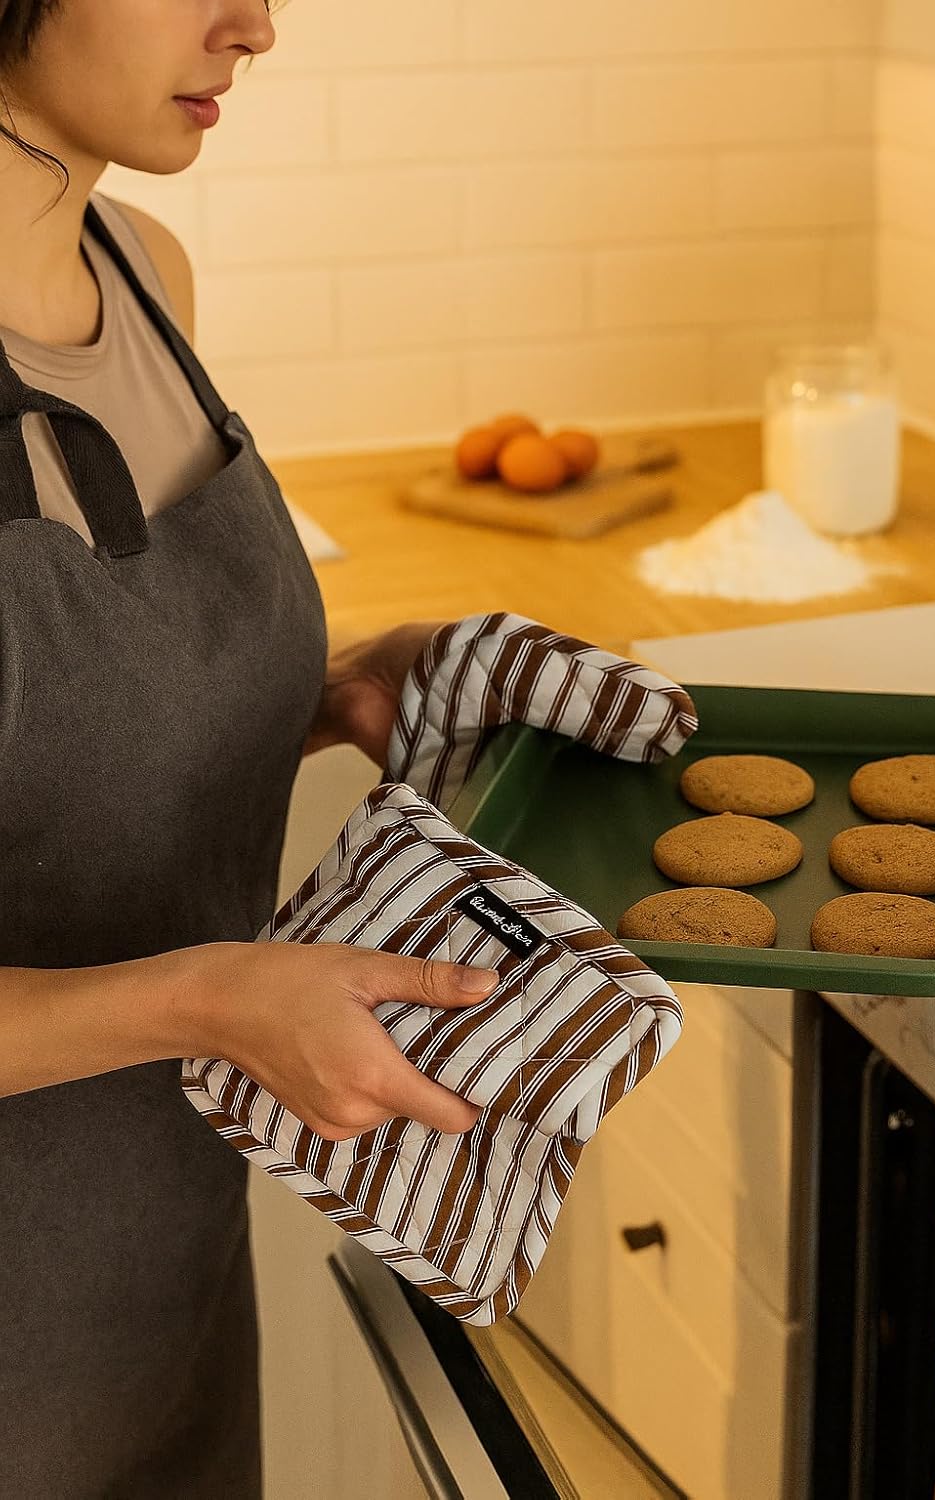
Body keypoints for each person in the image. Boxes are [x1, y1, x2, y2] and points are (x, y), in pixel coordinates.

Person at [0, 3, 500, 1494]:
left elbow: (71, 730)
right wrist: (213, 998)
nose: (256, 25)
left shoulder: (146, 275)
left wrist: (322, 691)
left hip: (162, 1284)